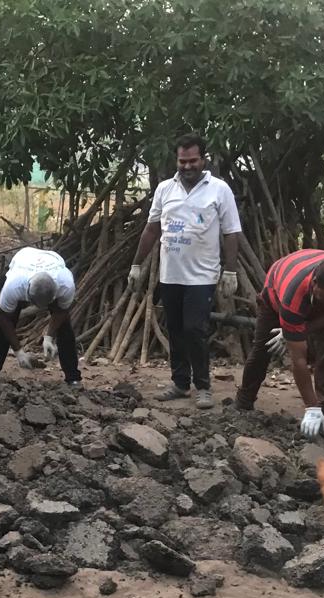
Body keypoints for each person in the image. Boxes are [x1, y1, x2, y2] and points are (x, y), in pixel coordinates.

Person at [129, 134, 242, 410]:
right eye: (182, 161)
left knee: (195, 330)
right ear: (176, 160)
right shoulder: (165, 189)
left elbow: (231, 232)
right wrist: (136, 264)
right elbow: (152, 228)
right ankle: (180, 383)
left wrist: (230, 271)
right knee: (176, 330)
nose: (187, 166)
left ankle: (202, 387)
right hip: (170, 274)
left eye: (193, 161)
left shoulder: (219, 190)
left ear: (204, 159)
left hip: (202, 276)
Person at [234, 250, 324, 437]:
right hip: (276, 293)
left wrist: (301, 329)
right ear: (315, 283)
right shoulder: (292, 297)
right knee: (263, 348)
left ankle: (323, 412)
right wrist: (310, 407)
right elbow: (298, 359)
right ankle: (244, 401)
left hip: (317, 292)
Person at [0, 246, 81, 386]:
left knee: (65, 327)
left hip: (52, 260)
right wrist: (18, 351)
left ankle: (73, 376)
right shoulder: (14, 285)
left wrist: (49, 337)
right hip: (24, 258)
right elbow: (4, 318)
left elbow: (61, 312)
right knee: (3, 325)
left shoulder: (65, 284)